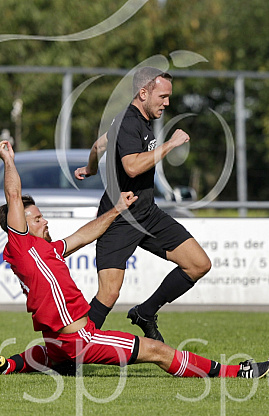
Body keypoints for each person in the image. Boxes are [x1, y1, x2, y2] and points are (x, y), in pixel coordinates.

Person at [0, 140, 269, 380]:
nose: (45, 222)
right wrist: (9, 160)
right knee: (158, 352)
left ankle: (7, 364)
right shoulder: (21, 244)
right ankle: (236, 372)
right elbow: (14, 196)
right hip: (80, 338)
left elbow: (83, 235)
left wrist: (117, 209)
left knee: (50, 353)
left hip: (59, 342)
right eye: (38, 218)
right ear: (22, 224)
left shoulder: (48, 250)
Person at [74, 66, 211, 343]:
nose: (167, 102)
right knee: (109, 294)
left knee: (198, 264)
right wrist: (171, 144)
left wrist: (90, 169)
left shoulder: (140, 121)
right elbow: (133, 167)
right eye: (163, 96)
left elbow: (98, 146)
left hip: (147, 213)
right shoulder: (128, 120)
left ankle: (146, 313)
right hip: (119, 217)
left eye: (169, 96)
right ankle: (73, 350)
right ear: (143, 92)